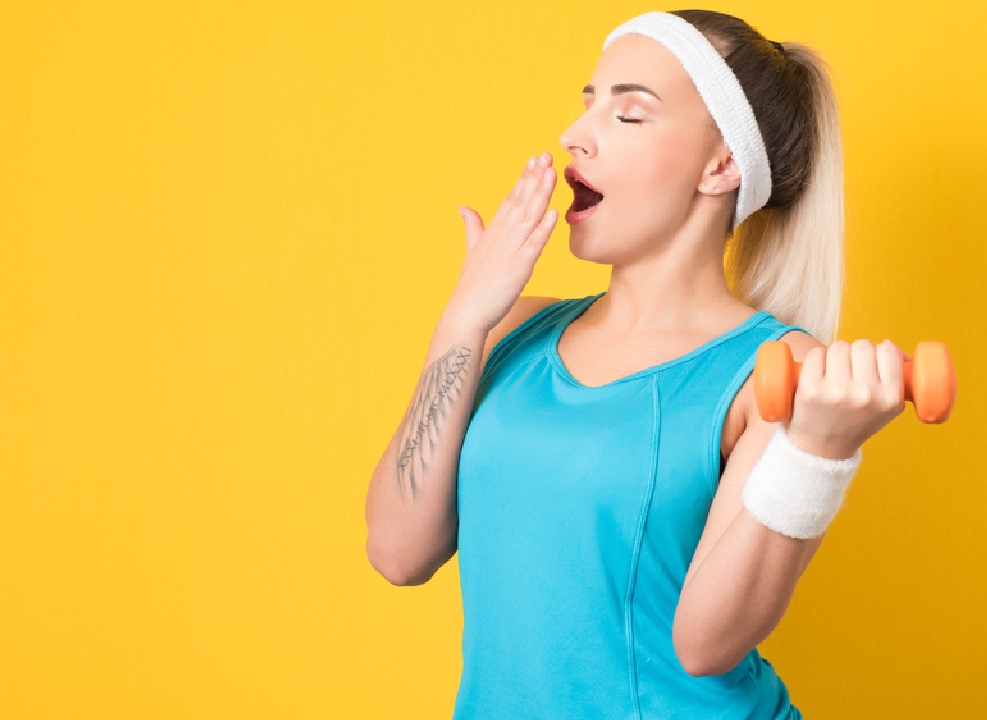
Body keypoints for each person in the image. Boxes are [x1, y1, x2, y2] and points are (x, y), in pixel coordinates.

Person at [365, 9, 908, 719]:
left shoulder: (778, 371)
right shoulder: (518, 330)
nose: (574, 135)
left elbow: (705, 645)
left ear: (720, 166)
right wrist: (464, 320)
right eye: (589, 103)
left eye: (629, 115)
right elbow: (398, 553)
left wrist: (819, 454)